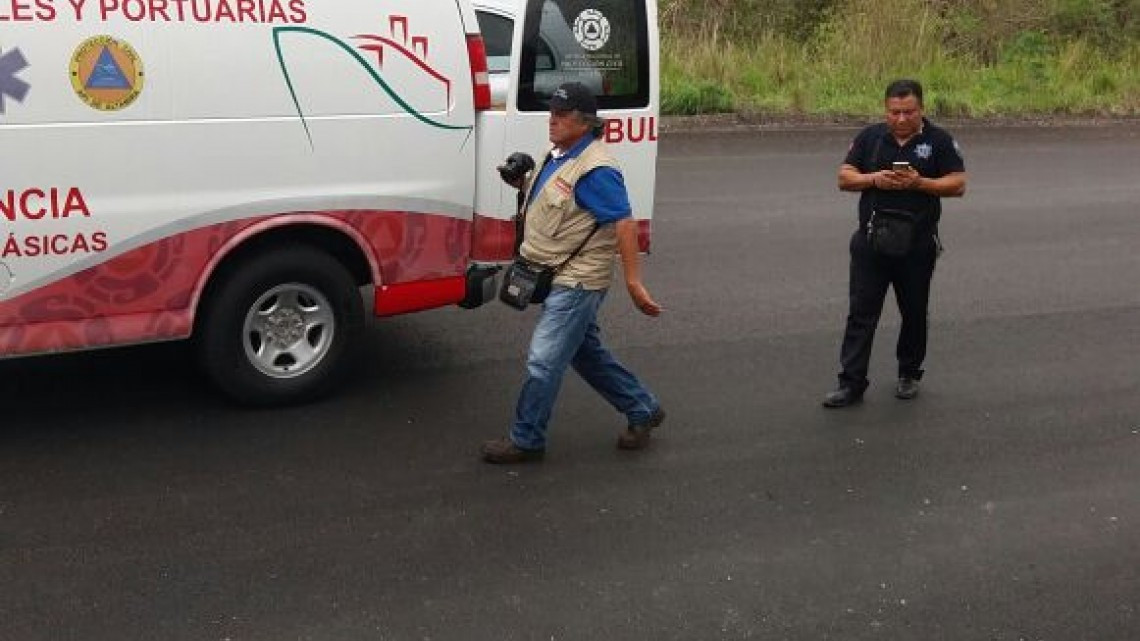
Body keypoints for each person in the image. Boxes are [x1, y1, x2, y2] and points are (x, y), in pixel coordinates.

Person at [480, 82, 664, 463]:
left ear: (584, 122)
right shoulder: (561, 152)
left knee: (544, 359)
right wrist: (522, 181)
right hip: (555, 271)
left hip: (577, 280)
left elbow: (624, 224)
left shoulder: (597, 169)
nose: (552, 120)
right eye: (552, 113)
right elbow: (560, 201)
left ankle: (526, 438)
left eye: (561, 115)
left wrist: (633, 282)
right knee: (585, 354)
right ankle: (643, 408)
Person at [824, 79, 967, 408]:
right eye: (894, 112)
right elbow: (844, 177)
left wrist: (921, 183)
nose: (901, 119)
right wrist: (874, 179)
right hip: (872, 242)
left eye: (909, 112)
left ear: (922, 109)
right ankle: (851, 382)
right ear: (885, 110)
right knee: (861, 313)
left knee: (914, 312)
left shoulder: (939, 141)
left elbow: (958, 184)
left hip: (916, 245)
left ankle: (909, 373)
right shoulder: (870, 137)